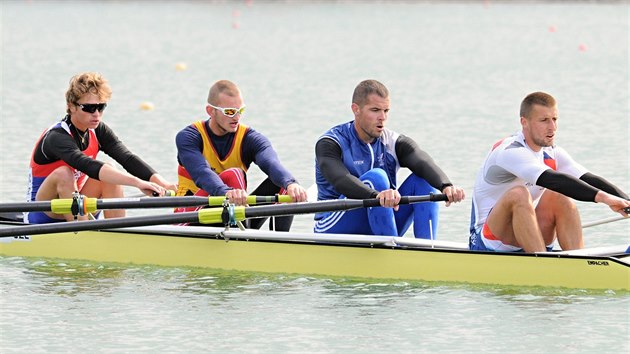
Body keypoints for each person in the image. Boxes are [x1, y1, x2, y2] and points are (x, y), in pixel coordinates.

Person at [469, 91, 630, 253]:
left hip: (525, 233)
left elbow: (588, 179)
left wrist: (626, 201)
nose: (552, 127)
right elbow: (553, 180)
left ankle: (580, 261)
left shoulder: (552, 152)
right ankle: (543, 266)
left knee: (558, 197)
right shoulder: (510, 151)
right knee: (519, 193)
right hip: (488, 240)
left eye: (554, 119)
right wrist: (605, 199)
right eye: (544, 120)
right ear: (524, 122)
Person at [314, 79, 465, 239]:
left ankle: (428, 251)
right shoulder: (331, 142)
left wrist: (446, 186)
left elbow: (422, 161)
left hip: (383, 219)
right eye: (375, 110)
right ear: (355, 109)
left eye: (386, 111)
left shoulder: (392, 141)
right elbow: (340, 179)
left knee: (424, 180)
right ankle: (392, 252)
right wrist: (375, 196)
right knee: (377, 177)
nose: (382, 117)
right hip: (333, 225)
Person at [26, 72, 176, 224]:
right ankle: (84, 231)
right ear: (71, 107)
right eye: (89, 108)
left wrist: (163, 184)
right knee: (64, 174)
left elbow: (127, 158)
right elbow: (88, 165)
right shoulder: (56, 137)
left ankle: (117, 231)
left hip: (76, 205)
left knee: (110, 170)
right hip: (44, 213)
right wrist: (137, 183)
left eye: (101, 107)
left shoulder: (98, 130)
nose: (96, 114)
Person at [175, 79, 307, 230]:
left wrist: (291, 183)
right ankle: (244, 238)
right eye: (230, 112)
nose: (237, 117)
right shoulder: (189, 137)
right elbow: (201, 172)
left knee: (282, 184)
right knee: (234, 174)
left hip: (234, 214)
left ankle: (281, 245)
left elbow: (271, 163)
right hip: (190, 217)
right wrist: (226, 192)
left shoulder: (250, 138)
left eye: (240, 111)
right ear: (211, 111)